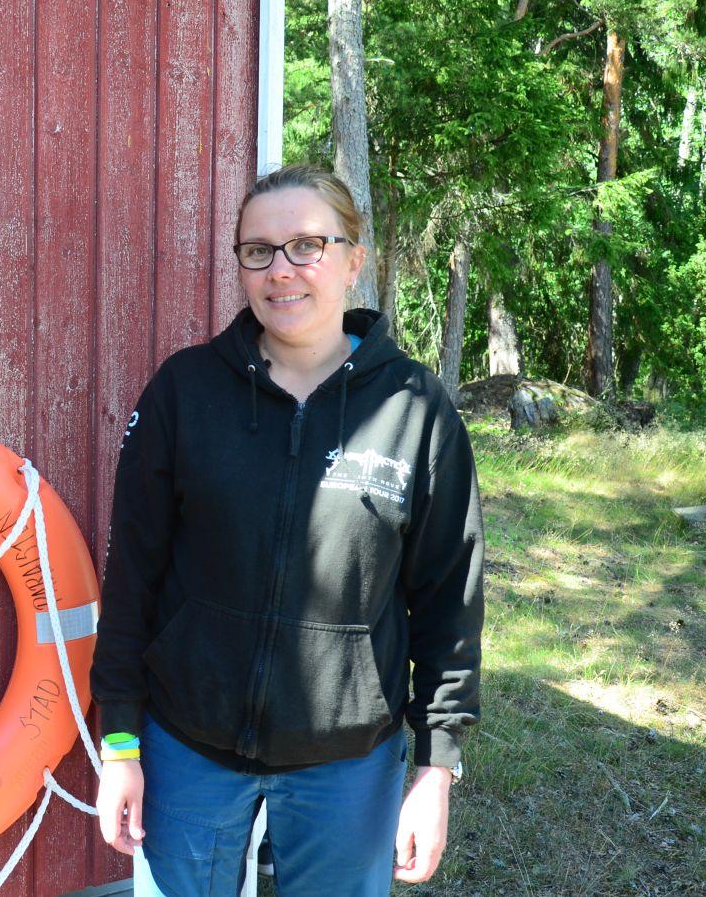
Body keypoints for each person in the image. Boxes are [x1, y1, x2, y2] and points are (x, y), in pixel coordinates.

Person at [90, 164, 484, 897]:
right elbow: (132, 577)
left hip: (348, 761)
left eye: (307, 245)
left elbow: (448, 602)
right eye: (258, 250)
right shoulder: (185, 391)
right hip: (187, 747)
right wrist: (120, 743)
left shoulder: (415, 409)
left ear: (353, 259)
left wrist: (436, 769)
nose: (282, 271)